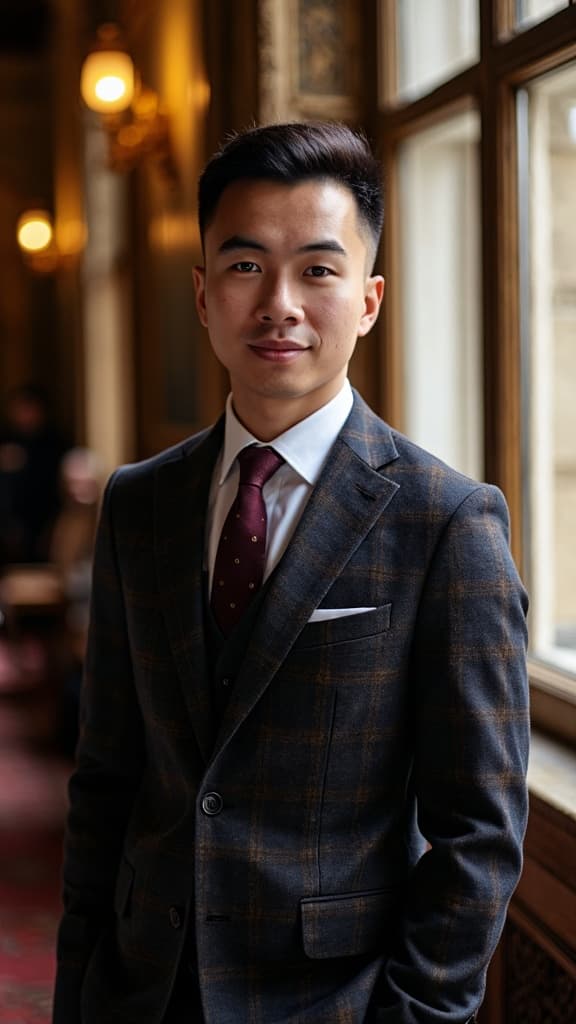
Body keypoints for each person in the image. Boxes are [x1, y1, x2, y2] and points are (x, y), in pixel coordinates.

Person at [53, 122, 530, 1024]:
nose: (279, 303)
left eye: (318, 269)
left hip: (331, 1001)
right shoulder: (139, 504)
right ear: (202, 294)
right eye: (244, 267)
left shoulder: (446, 522)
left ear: (370, 299)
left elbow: (481, 832)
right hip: (140, 990)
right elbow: (106, 776)